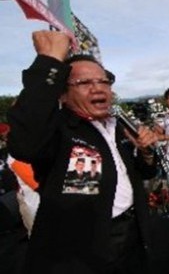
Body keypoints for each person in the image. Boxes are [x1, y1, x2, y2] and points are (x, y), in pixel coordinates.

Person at [7, 30, 159, 274]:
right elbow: (25, 142)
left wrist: (147, 153)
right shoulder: (59, 131)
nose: (98, 88)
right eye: (84, 83)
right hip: (82, 255)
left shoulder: (118, 125)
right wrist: (49, 62)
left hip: (132, 238)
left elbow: (144, 172)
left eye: (103, 81)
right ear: (63, 94)